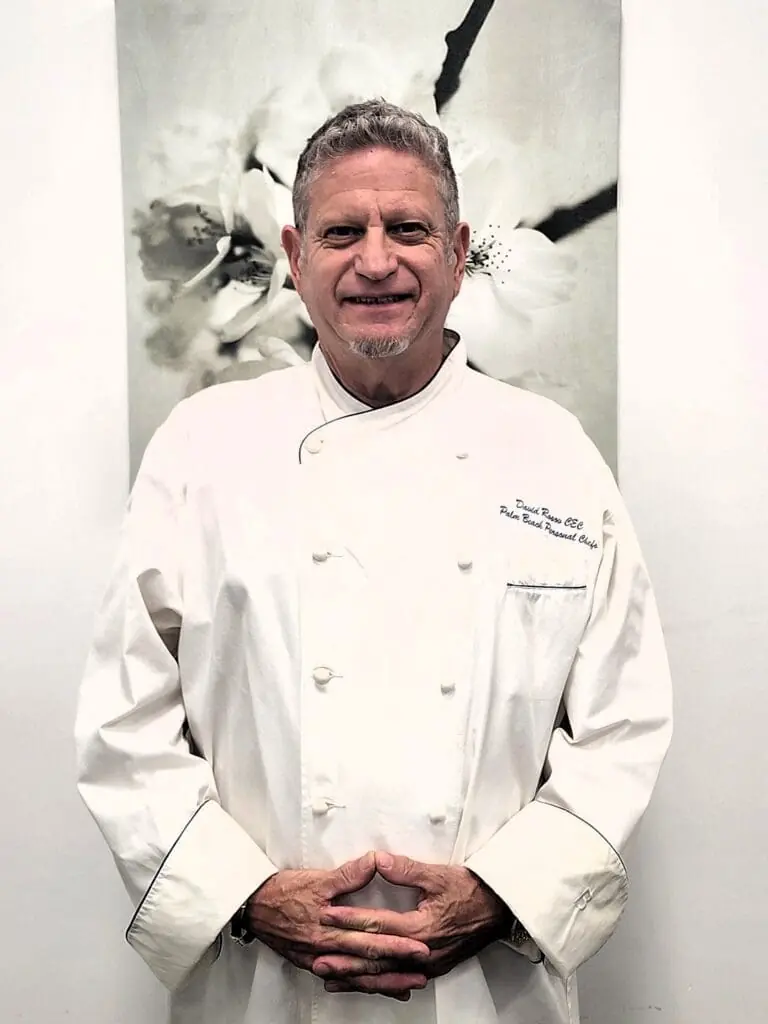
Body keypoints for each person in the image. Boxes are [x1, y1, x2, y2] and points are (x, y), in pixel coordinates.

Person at [76, 99, 673, 1024]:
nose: (378, 260)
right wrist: (244, 895)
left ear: (462, 249)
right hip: (266, 989)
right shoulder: (201, 447)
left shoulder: (552, 451)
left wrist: (504, 893)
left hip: (489, 988)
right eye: (342, 231)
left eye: (409, 229)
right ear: (294, 256)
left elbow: (625, 723)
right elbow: (124, 717)